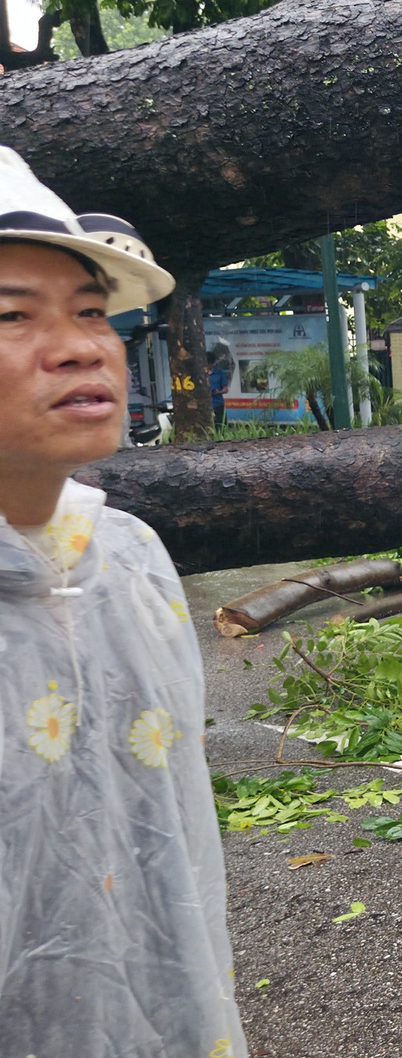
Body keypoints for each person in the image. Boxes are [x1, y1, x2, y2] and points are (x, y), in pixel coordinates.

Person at [0, 146, 246, 1058]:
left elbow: (178, 843)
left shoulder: (130, 559)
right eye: (12, 316)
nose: (80, 346)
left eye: (93, 312)